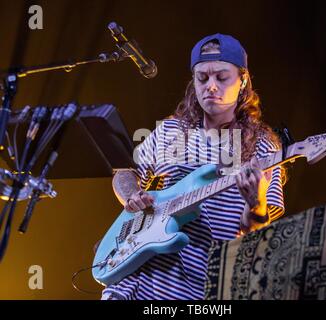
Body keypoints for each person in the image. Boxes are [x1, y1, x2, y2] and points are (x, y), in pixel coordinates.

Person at [100, 33, 285, 300]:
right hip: (138, 279)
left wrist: (256, 205)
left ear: (243, 80)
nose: (211, 86)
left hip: (201, 288)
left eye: (222, 77)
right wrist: (131, 197)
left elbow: (256, 239)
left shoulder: (263, 147)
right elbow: (124, 172)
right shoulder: (171, 131)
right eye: (202, 78)